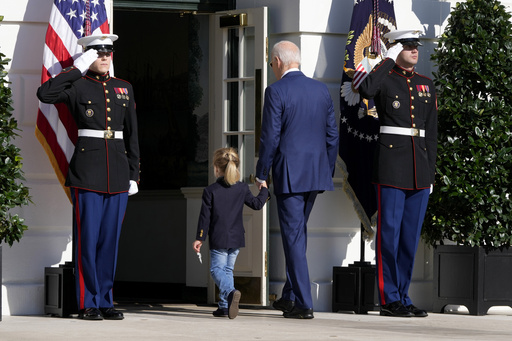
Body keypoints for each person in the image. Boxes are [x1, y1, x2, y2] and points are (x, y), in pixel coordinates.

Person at [37, 33, 140, 320]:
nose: (105, 57)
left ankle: (106, 300)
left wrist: (134, 174)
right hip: (87, 173)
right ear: (87, 56)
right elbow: (45, 94)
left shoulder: (124, 88)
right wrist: (75, 68)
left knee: (110, 241)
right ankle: (87, 302)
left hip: (118, 175)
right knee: (88, 240)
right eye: (99, 53)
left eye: (108, 52)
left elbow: (132, 135)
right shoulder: (76, 86)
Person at [256, 41, 339, 319]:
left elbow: (270, 137)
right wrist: (326, 172)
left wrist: (261, 173)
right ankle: (290, 296)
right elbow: (332, 136)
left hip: (289, 174)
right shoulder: (320, 90)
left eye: (271, 63)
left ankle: (304, 303)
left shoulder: (276, 90)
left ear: (278, 61)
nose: (272, 68)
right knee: (298, 234)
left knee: (293, 237)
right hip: (315, 174)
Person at [358, 29, 438, 318]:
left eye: (416, 46)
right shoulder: (385, 78)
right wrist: (386, 61)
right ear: (395, 49)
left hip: (419, 170)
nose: (415, 50)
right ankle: (388, 298)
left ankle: (403, 295)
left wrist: (429, 174)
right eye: (407, 46)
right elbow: (365, 90)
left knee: (409, 238)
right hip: (391, 167)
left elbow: (431, 134)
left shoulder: (426, 84)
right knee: (388, 236)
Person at [193, 147, 269, 319]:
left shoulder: (210, 190)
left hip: (219, 238)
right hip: (236, 238)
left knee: (216, 270)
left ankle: (230, 292)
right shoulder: (241, 188)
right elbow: (257, 204)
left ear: (217, 168)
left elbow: (204, 218)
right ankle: (224, 307)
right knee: (227, 270)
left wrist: (200, 238)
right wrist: (264, 190)